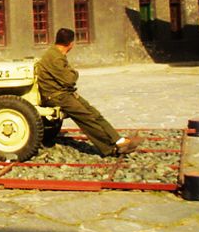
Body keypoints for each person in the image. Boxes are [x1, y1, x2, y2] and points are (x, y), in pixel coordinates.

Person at [36, 28, 142, 156]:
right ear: (71, 44)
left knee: (94, 114)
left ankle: (118, 140)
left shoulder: (56, 54)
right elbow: (70, 79)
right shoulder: (55, 58)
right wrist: (74, 73)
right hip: (57, 95)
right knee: (86, 117)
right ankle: (109, 148)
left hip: (64, 93)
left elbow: (67, 79)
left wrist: (70, 74)